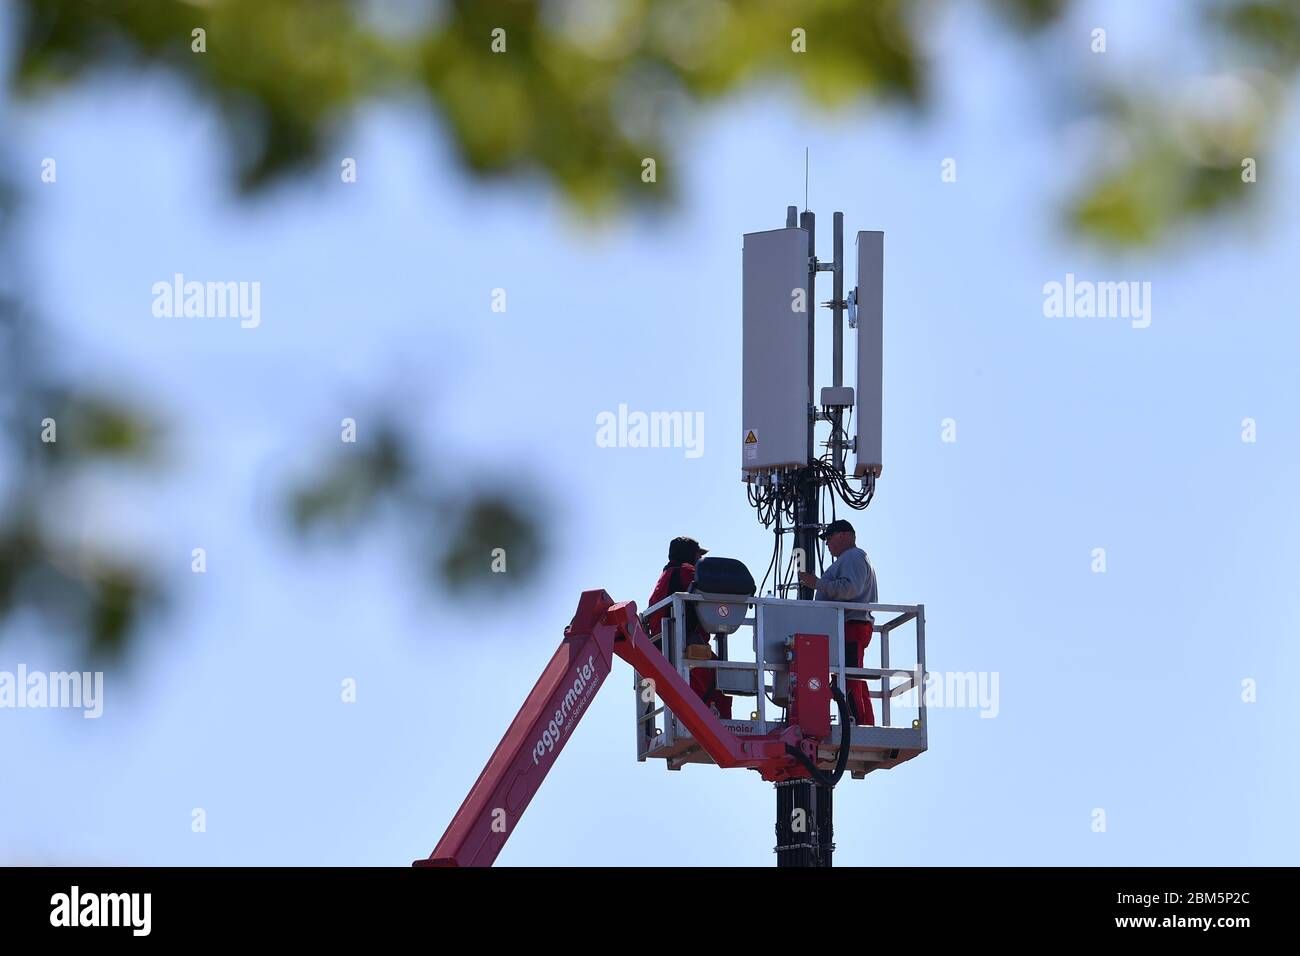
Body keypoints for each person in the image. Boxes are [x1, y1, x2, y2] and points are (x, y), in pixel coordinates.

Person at [799, 519, 878, 726]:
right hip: (850, 625)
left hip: (852, 625)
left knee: (849, 676)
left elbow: (849, 589)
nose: (826, 544)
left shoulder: (853, 556)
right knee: (852, 675)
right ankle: (863, 720)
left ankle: (856, 721)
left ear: (844, 535)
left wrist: (818, 584)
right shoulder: (854, 558)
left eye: (829, 538)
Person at [645, 536, 732, 719]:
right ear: (690, 555)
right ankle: (718, 726)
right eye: (697, 555)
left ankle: (695, 721)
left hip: (665, 644)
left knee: (693, 688)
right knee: (719, 681)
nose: (699, 560)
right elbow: (711, 586)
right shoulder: (686, 571)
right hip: (683, 642)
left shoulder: (665, 577)